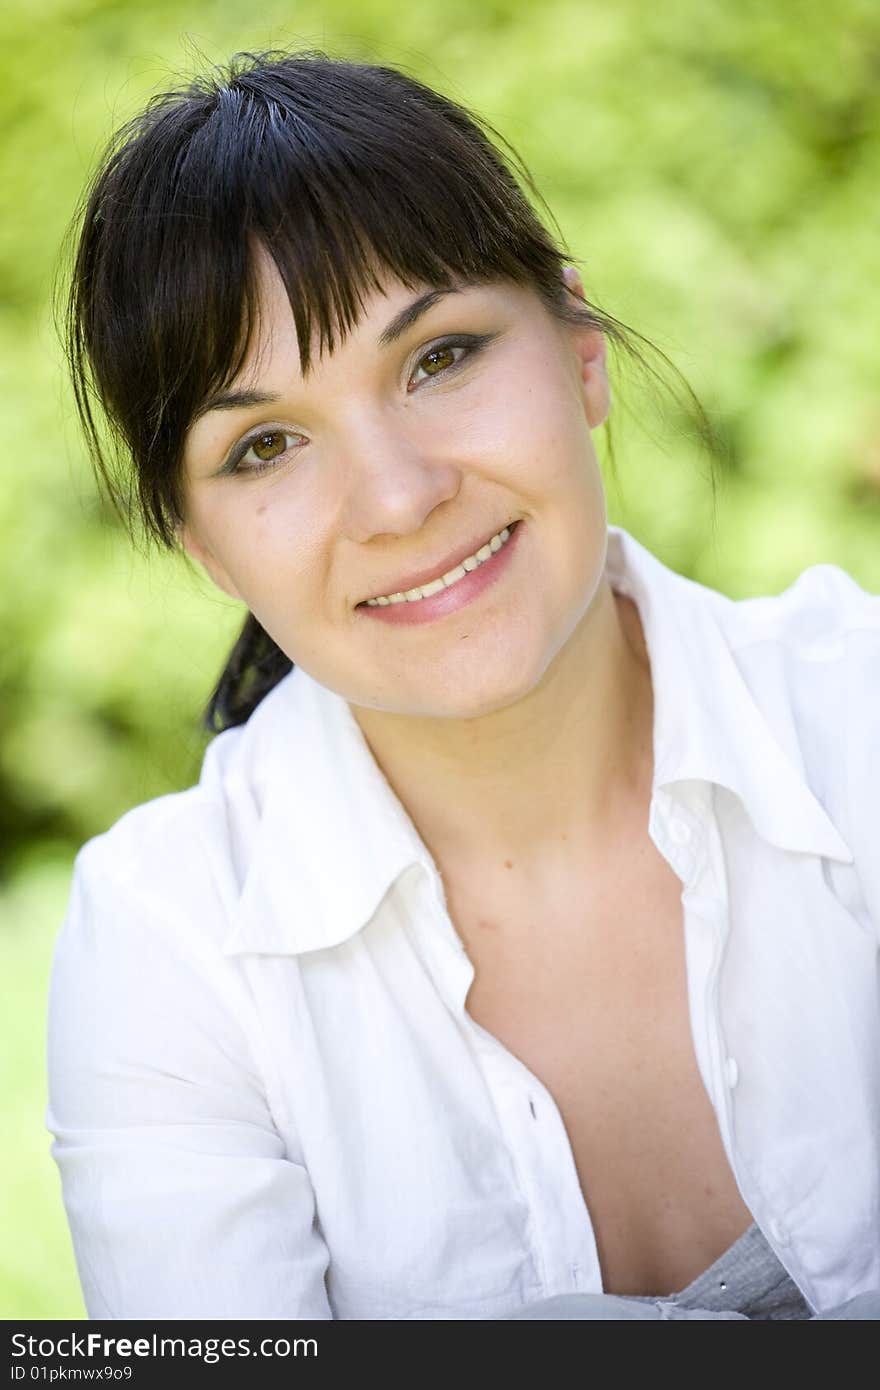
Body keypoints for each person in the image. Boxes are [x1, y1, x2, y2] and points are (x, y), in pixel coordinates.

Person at [46, 47, 879, 1321]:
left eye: (437, 358)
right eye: (266, 444)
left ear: (580, 345)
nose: (397, 497)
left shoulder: (856, 715)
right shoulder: (172, 941)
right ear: (202, 546)